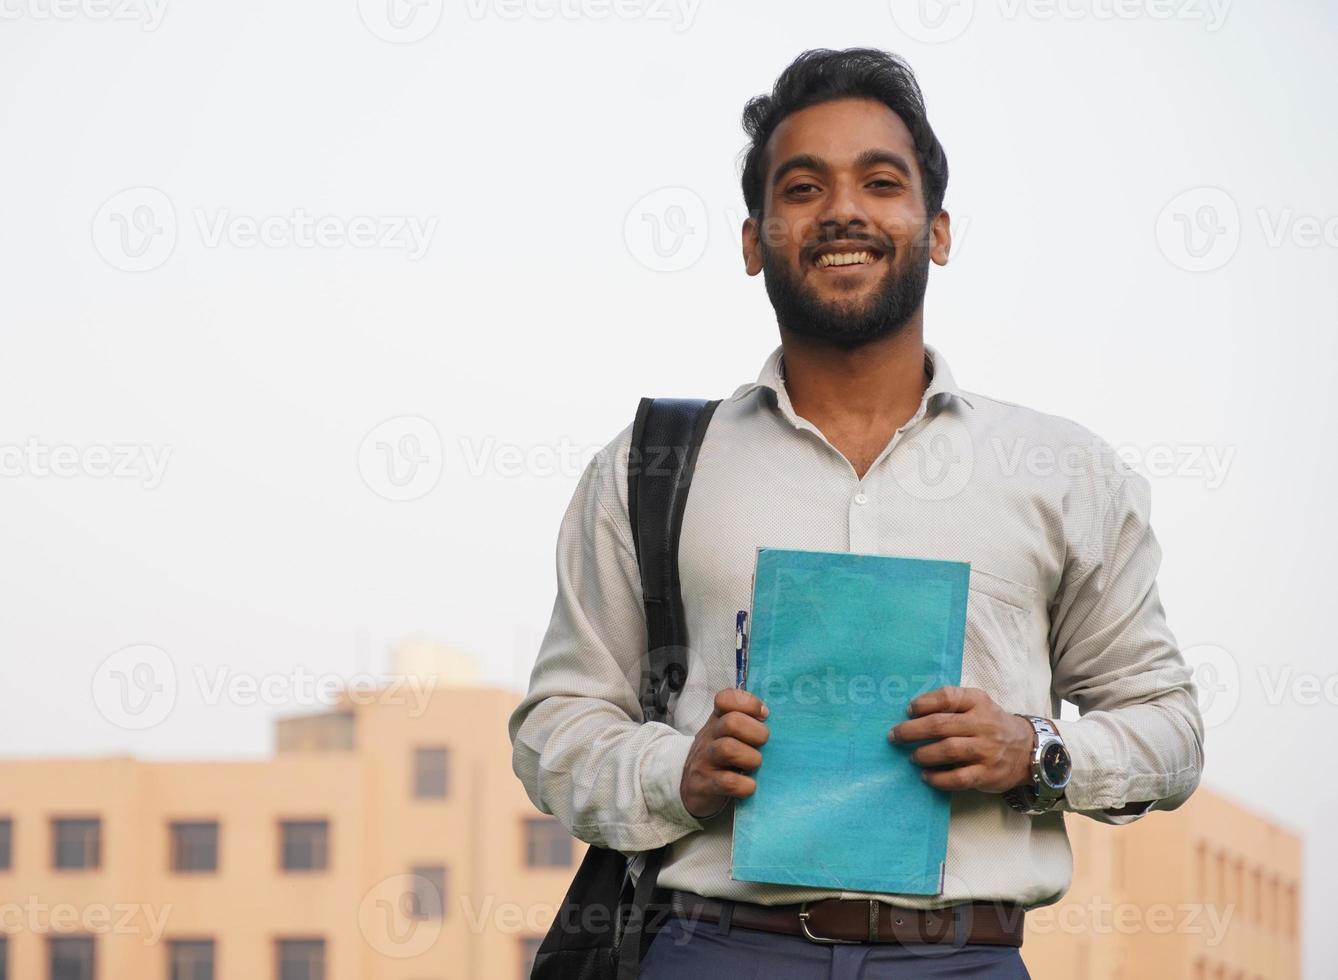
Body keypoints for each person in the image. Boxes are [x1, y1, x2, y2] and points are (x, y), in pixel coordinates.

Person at [508, 47, 1204, 979]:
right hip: (716, 948)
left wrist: (1032, 751)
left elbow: (1168, 726)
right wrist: (674, 773)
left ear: (938, 229)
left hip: (967, 958)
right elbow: (556, 727)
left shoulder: (1060, 472)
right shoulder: (656, 467)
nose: (842, 210)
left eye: (881, 182)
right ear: (754, 239)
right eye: (802, 187)